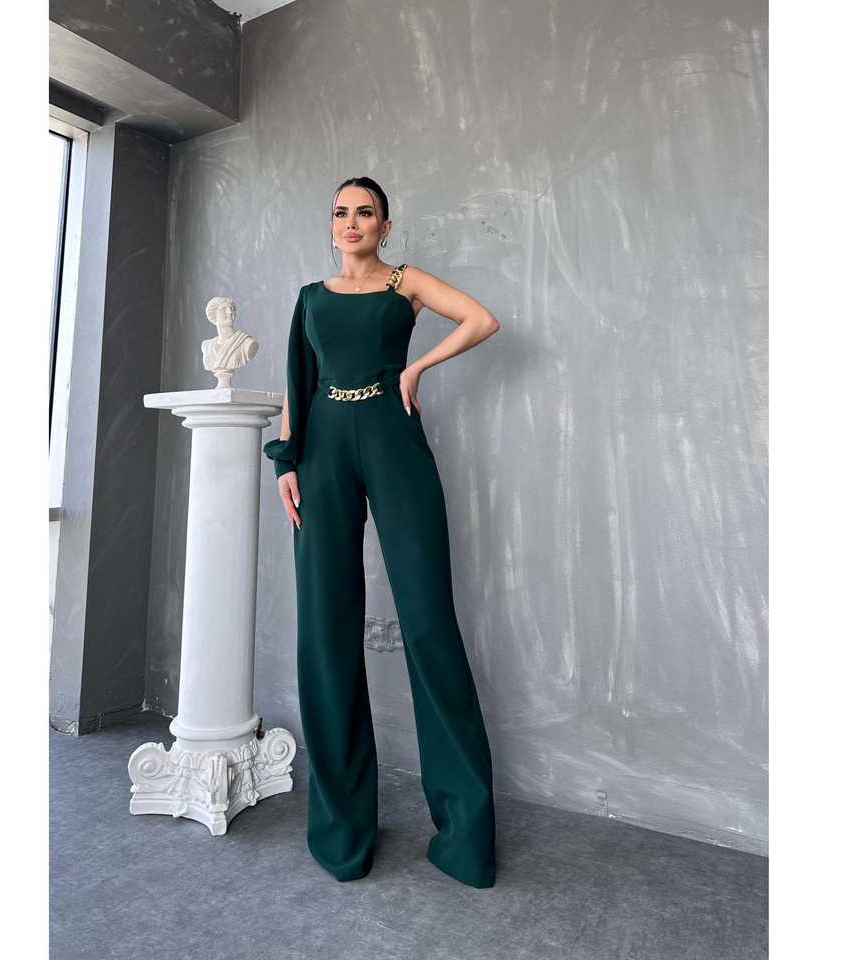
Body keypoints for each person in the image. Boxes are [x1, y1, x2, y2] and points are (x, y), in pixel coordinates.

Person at [264, 176, 500, 888]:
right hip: (322, 453)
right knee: (326, 630)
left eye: (364, 212)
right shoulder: (311, 298)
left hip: (394, 441)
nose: (351, 222)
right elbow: (297, 385)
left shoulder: (406, 283)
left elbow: (481, 319)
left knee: (428, 622)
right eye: (341, 212)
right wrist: (287, 461)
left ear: (385, 225)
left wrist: (418, 366)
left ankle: (464, 837)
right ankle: (344, 833)